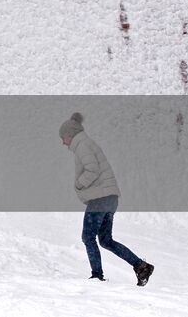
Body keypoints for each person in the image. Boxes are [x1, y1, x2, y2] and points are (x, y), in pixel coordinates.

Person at [59, 112, 153, 285]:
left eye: (63, 137)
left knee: (88, 237)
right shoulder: (86, 143)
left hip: (100, 199)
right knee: (105, 240)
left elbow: (92, 170)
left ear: (69, 135)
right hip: (109, 199)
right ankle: (141, 266)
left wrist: (79, 184)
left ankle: (97, 276)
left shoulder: (82, 145)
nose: (62, 142)